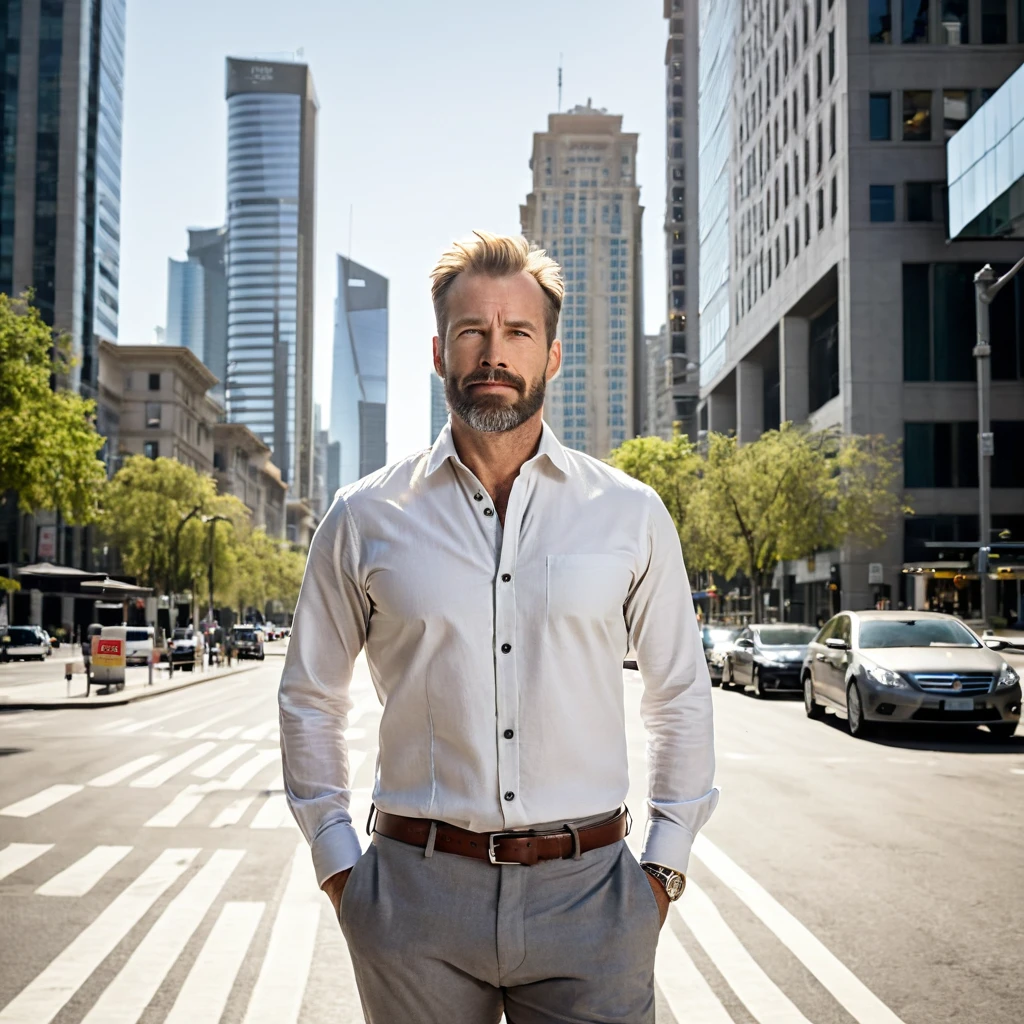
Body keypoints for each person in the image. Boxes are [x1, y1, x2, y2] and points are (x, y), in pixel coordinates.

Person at [279, 231, 718, 1024]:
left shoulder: (630, 513)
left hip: (593, 898)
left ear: (551, 355)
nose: (494, 351)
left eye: (518, 331)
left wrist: (663, 871)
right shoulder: (363, 517)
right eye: (472, 331)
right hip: (414, 899)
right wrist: (343, 872)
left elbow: (679, 694)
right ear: (440, 350)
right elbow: (311, 698)